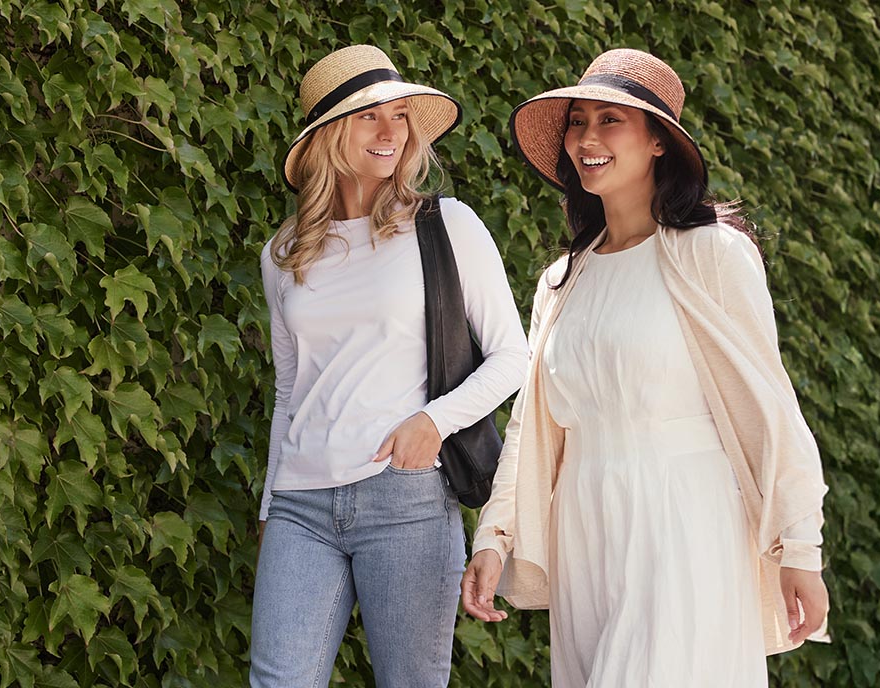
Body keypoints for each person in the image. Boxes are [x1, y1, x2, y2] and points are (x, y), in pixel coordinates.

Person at [460, 48, 830, 686]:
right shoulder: (560, 282)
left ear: (660, 142)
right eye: (578, 122)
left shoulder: (712, 254)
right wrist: (495, 535)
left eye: (611, 120)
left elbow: (771, 407)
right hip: (585, 524)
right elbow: (532, 425)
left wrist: (800, 548)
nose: (588, 138)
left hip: (684, 513)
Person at [250, 45, 528, 688]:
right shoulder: (283, 253)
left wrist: (435, 420)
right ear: (326, 134)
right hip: (299, 505)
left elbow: (514, 354)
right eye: (367, 116)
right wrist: (271, 504)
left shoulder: (444, 225)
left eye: (400, 116)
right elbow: (288, 390)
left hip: (406, 500)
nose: (389, 132)